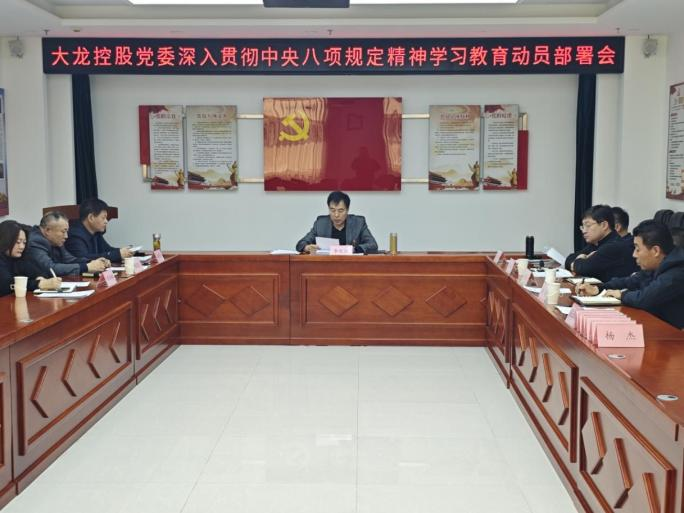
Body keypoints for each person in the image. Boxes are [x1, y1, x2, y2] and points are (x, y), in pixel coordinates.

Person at [576, 220, 684, 329]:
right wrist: (599, 289)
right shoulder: (658, 265)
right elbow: (630, 281)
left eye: (638, 249)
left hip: (673, 334)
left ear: (655, 251)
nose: (634, 254)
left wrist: (621, 294)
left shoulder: (677, 271)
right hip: (657, 326)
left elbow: (644, 299)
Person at [565, 204, 638, 282]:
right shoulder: (595, 243)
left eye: (588, 226)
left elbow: (584, 268)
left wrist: (579, 260)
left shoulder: (614, 246)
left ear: (604, 225)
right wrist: (581, 259)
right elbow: (569, 259)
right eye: (583, 227)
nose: (584, 231)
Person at [23, 211, 109, 278]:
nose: (66, 236)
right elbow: (51, 268)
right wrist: (87, 267)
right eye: (63, 231)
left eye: (67, 231)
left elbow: (70, 259)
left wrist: (92, 262)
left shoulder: (54, 240)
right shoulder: (36, 241)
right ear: (48, 230)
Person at [296, 191, 378, 254]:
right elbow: (300, 244)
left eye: (340, 210)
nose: (336, 215)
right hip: (326, 266)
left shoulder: (358, 223)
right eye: (332, 210)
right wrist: (307, 247)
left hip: (351, 265)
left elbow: (373, 245)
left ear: (347, 210)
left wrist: (354, 249)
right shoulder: (320, 223)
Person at [0, 220, 61, 296]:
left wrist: (39, 278)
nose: (22, 247)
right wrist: (38, 284)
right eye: (18, 242)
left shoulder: (20, 258)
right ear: (5, 240)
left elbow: (39, 273)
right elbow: (7, 285)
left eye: (24, 242)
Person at [65, 198, 133, 262]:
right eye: (103, 218)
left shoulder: (96, 232)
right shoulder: (74, 235)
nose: (106, 221)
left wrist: (126, 251)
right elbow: (84, 258)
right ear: (91, 218)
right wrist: (118, 254)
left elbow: (108, 250)